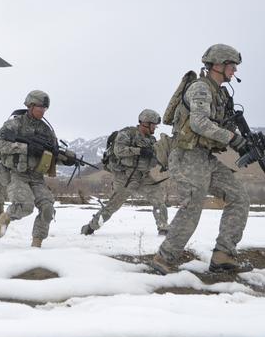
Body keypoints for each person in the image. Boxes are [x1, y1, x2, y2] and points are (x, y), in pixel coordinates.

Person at [149, 44, 250, 275]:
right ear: (218, 65)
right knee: (193, 203)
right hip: (186, 155)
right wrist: (232, 138)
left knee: (239, 197)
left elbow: (219, 126)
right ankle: (164, 258)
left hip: (204, 157)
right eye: (231, 66)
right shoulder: (201, 89)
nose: (234, 71)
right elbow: (199, 124)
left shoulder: (220, 94)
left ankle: (223, 255)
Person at [0, 90, 77, 247]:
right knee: (25, 206)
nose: (43, 111)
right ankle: (5, 217)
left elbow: (51, 155)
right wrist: (25, 148)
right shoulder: (15, 124)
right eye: (40, 107)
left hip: (37, 176)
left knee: (47, 209)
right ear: (30, 105)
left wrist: (66, 159)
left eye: (45, 108)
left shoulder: (46, 131)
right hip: (17, 173)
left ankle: (36, 244)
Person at [81, 109, 169, 236]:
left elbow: (155, 157)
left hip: (144, 176)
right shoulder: (127, 133)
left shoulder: (151, 140)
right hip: (125, 178)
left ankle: (163, 228)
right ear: (145, 123)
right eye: (154, 125)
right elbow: (119, 151)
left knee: (158, 199)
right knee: (113, 206)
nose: (155, 128)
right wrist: (140, 151)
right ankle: (90, 227)